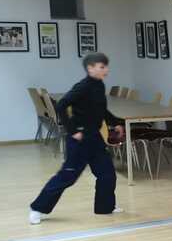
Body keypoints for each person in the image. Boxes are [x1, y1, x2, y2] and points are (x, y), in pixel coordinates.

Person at [29, 53, 123, 224]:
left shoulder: (99, 85)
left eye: (106, 66)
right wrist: (72, 131)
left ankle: (105, 207)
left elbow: (101, 110)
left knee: (107, 173)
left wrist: (115, 123)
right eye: (102, 67)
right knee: (68, 176)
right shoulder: (83, 86)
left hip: (94, 138)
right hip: (79, 140)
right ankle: (37, 208)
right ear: (90, 68)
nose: (106, 70)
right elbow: (61, 105)